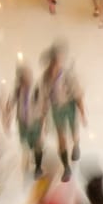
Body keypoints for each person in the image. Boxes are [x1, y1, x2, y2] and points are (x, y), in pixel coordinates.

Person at [43, 43, 86, 179]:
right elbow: (44, 99)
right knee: (61, 138)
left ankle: (76, 144)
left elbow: (78, 95)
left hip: (69, 106)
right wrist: (43, 119)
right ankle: (66, 167)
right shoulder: (46, 78)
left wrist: (83, 113)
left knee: (73, 132)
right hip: (57, 110)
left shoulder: (68, 75)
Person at [4, 60, 47, 179]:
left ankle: (38, 168)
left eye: (29, 74)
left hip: (36, 122)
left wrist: (44, 123)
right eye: (25, 75)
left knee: (38, 145)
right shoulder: (17, 90)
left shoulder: (37, 88)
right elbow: (10, 104)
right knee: (25, 147)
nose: (28, 77)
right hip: (23, 123)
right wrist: (7, 118)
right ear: (21, 78)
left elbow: (43, 106)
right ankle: (27, 168)